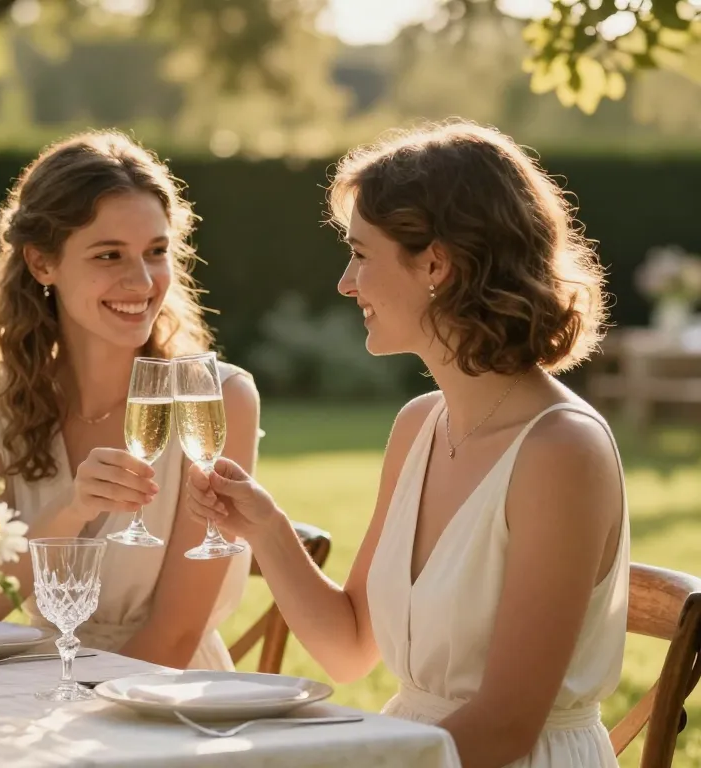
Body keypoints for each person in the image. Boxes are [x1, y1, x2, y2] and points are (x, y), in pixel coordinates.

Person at [185, 120, 627, 768]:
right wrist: (267, 530)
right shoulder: (420, 424)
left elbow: (506, 726)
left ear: (436, 265)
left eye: (361, 253)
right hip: (415, 752)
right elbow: (351, 646)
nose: (345, 281)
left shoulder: (561, 452)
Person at [0, 130, 259, 671]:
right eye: (109, 254)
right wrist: (71, 509)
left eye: (156, 252)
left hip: (165, 697)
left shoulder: (216, 399)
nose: (140, 281)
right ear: (43, 264)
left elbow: (175, 633)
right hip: (39, 684)